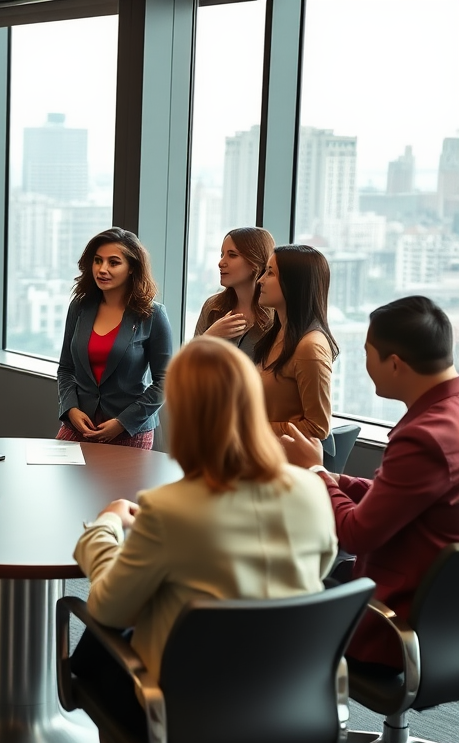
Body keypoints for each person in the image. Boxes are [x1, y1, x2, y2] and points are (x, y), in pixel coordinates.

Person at [71, 336, 337, 743]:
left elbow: (107, 608)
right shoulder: (311, 490)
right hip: (287, 695)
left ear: (188, 416)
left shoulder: (170, 508)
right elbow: (315, 575)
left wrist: (105, 527)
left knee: (99, 651)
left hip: (186, 707)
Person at [280, 296, 459, 672]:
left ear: (394, 364)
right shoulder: (448, 417)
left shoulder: (423, 437)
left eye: (368, 353)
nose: (365, 365)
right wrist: (335, 479)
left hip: (393, 623)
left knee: (262, 601)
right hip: (445, 615)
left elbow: (355, 534)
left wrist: (314, 472)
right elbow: (403, 495)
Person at [56, 227, 172, 449]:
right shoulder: (79, 307)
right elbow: (66, 369)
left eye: (114, 262)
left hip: (130, 430)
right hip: (79, 425)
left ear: (131, 268)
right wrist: (71, 410)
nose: (102, 269)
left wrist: (123, 422)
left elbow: (164, 381)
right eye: (98, 261)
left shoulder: (152, 314)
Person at [254, 244, 338, 439]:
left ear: (295, 283)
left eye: (270, 273)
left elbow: (318, 428)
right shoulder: (275, 333)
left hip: (285, 463)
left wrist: (254, 429)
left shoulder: (310, 347)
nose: (260, 281)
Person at [193, 226, 275, 359]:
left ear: (255, 261)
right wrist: (209, 337)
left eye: (232, 255)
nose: (221, 263)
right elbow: (189, 367)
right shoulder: (212, 306)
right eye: (222, 255)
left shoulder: (276, 316)